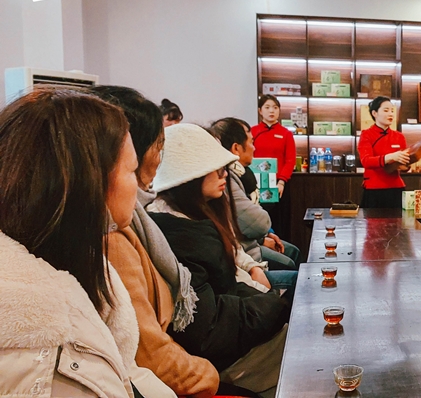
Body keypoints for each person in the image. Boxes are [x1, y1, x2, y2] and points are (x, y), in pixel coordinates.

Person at [0, 87, 172, 397]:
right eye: (131, 170)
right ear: (91, 183)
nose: (139, 186)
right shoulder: (47, 348)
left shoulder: (77, 261)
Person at [93, 86, 220, 397]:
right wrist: (209, 373)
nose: (159, 161)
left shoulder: (135, 220)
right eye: (157, 147)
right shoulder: (112, 238)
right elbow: (150, 355)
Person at [148, 123, 291, 394]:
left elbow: (228, 284)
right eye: (215, 168)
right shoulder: (179, 235)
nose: (224, 173)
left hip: (235, 336)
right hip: (225, 360)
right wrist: (275, 304)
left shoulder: (195, 216)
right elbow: (209, 329)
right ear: (189, 176)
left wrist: (264, 295)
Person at [210, 117, 302, 271]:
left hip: (250, 244)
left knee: (293, 251)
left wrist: (264, 235)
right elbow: (255, 221)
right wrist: (261, 239)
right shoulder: (228, 177)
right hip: (245, 252)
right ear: (236, 148)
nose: (254, 148)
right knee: (289, 265)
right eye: (251, 142)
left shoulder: (243, 173)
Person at [251, 95, 296, 236]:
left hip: (279, 184)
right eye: (267, 107)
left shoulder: (286, 133)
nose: (271, 111)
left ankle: (282, 246)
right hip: (256, 184)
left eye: (275, 108)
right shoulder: (253, 132)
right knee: (258, 219)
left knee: (280, 221)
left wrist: (281, 182)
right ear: (260, 110)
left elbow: (290, 160)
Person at [357, 96, 409, 208]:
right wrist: (391, 157)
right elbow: (366, 161)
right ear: (374, 113)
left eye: (392, 111)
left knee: (398, 219)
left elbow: (403, 166)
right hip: (374, 189)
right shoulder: (366, 135)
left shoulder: (399, 136)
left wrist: (405, 166)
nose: (390, 114)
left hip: (396, 188)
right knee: (373, 219)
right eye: (386, 110)